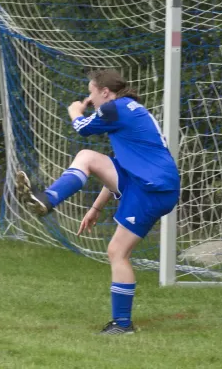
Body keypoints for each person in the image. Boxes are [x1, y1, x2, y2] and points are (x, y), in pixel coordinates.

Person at [15, 69, 180, 335]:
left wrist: (75, 109)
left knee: (118, 253)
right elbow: (117, 168)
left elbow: (81, 127)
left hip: (152, 189)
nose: (89, 98)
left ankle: (122, 325)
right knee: (89, 158)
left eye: (91, 93)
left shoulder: (115, 108)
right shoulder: (126, 110)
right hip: (148, 182)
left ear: (104, 92)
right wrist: (96, 208)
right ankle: (47, 200)